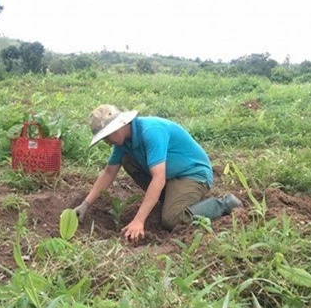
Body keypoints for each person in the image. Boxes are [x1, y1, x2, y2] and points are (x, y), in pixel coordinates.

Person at [73, 104, 242, 243]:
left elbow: (158, 178)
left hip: (192, 175)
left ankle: (224, 204)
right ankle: (172, 199)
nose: (106, 141)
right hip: (170, 177)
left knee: (172, 219)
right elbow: (109, 172)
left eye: (107, 136)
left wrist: (139, 220)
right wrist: (85, 204)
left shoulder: (151, 131)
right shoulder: (122, 144)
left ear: (121, 124)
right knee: (126, 160)